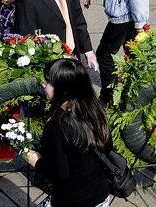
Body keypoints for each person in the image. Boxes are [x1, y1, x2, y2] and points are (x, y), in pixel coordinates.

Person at [21, 57, 113, 207]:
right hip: (100, 194)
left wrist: (38, 162)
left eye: (48, 82)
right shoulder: (94, 109)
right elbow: (107, 147)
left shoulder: (59, 124)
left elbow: (60, 173)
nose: (43, 85)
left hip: (73, 199)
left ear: (63, 88)